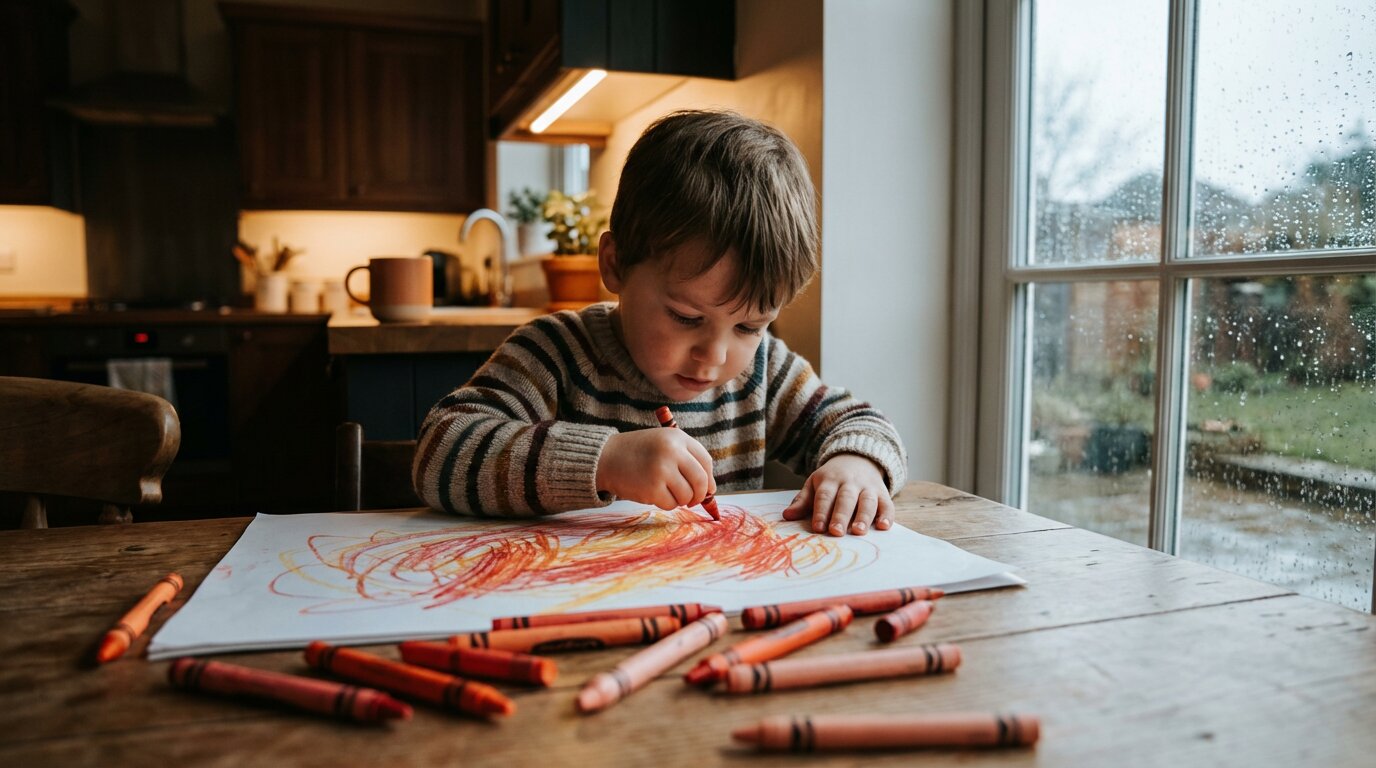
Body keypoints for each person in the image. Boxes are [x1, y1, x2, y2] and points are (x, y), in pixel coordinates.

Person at [413, 109, 907, 536]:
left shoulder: (763, 376)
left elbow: (861, 423)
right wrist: (606, 461)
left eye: (749, 327)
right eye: (686, 316)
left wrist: (855, 463)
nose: (714, 357)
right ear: (615, 265)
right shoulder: (555, 355)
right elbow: (439, 453)